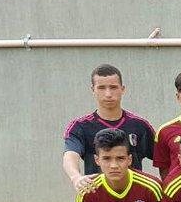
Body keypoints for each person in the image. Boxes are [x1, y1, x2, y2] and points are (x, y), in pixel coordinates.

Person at [63, 64, 154, 192]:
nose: (108, 94)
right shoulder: (80, 127)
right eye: (101, 88)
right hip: (97, 197)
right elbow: (70, 155)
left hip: (136, 200)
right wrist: (76, 177)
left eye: (113, 87)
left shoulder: (140, 125)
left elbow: (164, 158)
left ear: (122, 89)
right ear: (93, 90)